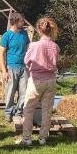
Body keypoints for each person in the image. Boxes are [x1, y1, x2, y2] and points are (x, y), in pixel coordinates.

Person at [17, 17, 60, 147]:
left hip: (36, 80)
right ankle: (42, 139)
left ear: (38, 30)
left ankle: (27, 139)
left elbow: (26, 61)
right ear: (50, 29)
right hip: (51, 80)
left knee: (28, 109)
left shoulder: (34, 45)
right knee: (47, 110)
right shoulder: (55, 46)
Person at [0, 12, 30, 123]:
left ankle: (18, 113)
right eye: (21, 21)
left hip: (23, 67)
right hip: (11, 67)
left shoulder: (24, 34)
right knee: (10, 92)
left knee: (23, 92)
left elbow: (28, 48)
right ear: (15, 21)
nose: (23, 22)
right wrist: (4, 71)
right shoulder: (6, 36)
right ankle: (8, 113)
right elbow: (1, 54)